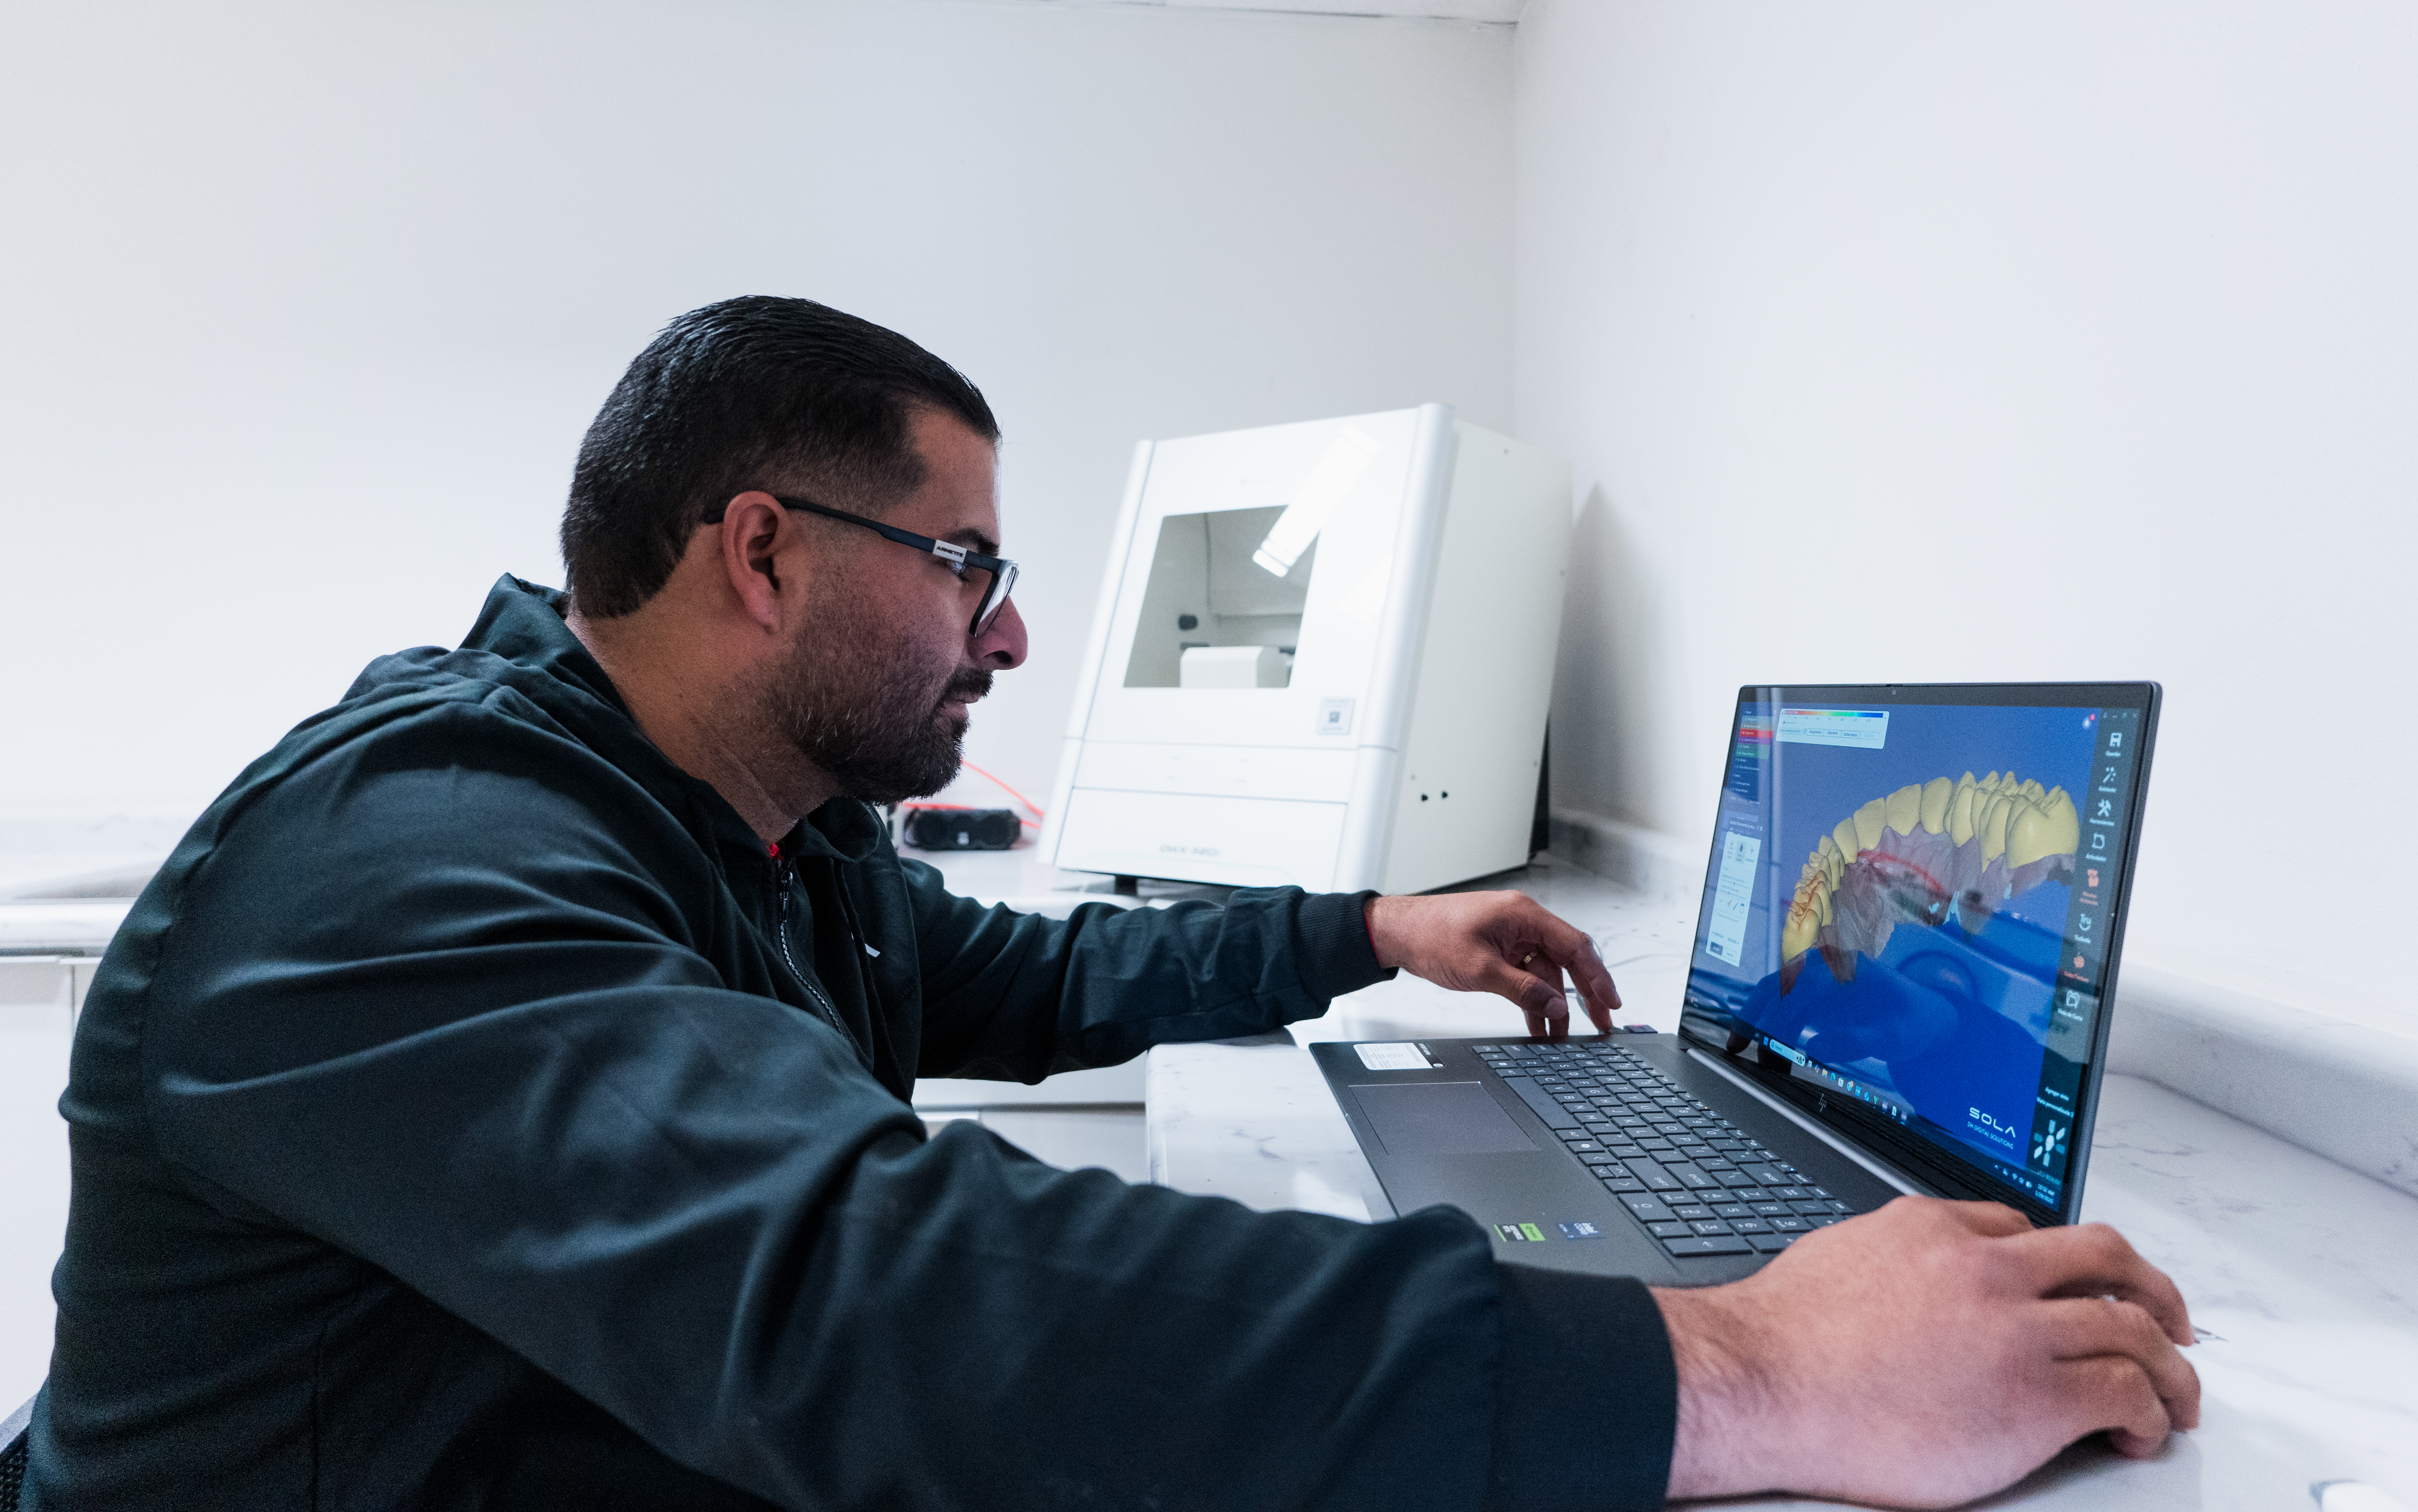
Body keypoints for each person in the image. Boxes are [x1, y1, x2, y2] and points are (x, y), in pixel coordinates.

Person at [25, 297, 2198, 1512]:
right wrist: (1743, 1362)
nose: (1009, 634)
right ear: (765, 556)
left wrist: (1372, 932)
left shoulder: (739, 819)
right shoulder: (419, 875)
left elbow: (1036, 969)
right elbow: (878, 1294)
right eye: (968, 566)